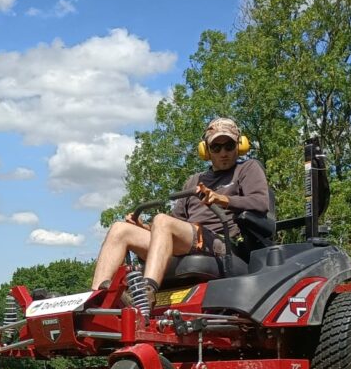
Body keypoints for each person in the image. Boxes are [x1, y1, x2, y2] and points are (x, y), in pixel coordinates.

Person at [89, 117, 271, 305]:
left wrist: (221, 199)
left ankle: (146, 293)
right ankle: (95, 300)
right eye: (216, 147)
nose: (223, 152)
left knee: (162, 219)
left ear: (240, 146)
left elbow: (260, 202)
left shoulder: (247, 168)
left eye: (229, 146)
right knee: (121, 229)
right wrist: (144, 227)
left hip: (220, 241)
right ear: (206, 151)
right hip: (188, 240)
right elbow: (174, 223)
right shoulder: (194, 181)